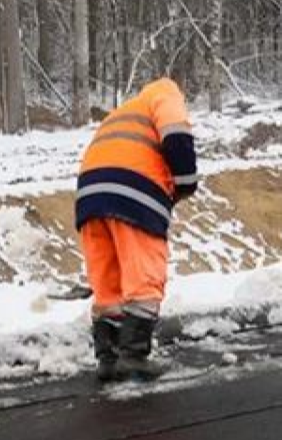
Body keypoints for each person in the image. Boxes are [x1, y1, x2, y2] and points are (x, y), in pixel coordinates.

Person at [75, 77, 198, 381]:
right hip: (134, 190)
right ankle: (133, 356)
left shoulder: (124, 111)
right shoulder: (165, 94)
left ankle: (108, 358)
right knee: (144, 277)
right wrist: (185, 183)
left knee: (107, 284)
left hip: (89, 194)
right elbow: (176, 136)